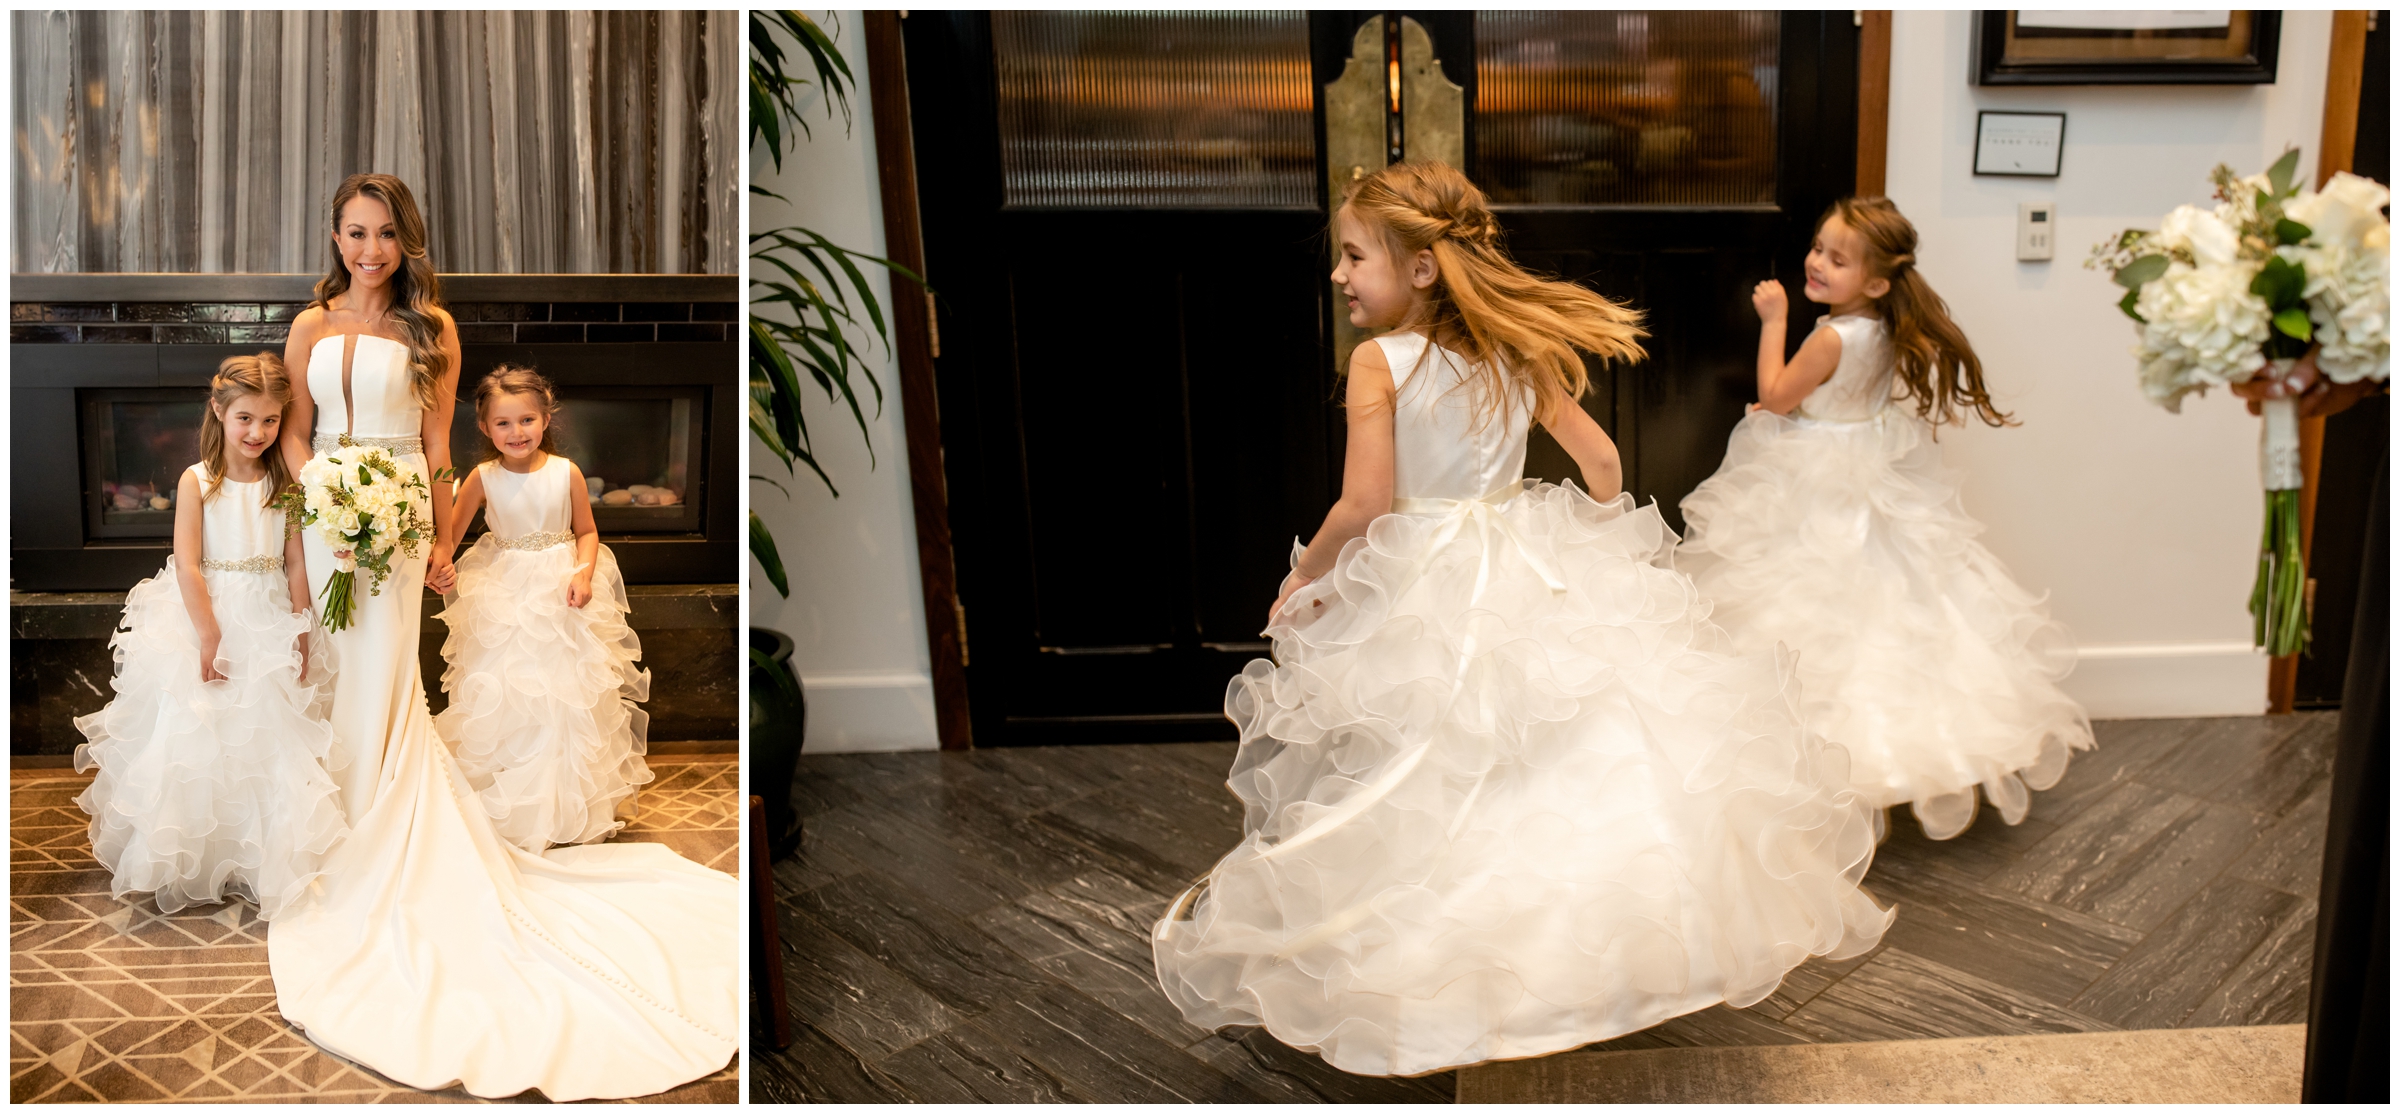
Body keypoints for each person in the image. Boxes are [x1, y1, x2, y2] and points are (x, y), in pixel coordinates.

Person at [1151, 161, 1892, 1078]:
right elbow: (1605, 461)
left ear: (1422, 267)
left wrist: (1304, 578)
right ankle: (1579, 948)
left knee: (1424, 751)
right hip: (1523, 555)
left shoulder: (1379, 362)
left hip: (1422, 575)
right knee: (1548, 753)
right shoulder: (1510, 351)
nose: (1339, 274)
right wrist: (1598, 538)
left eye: (1352, 255)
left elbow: (1366, 503)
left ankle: (1437, 951)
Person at [265, 173, 737, 1101]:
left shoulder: (430, 329)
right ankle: (336, 827)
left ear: (407, 242)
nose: (369, 251)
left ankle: (379, 834)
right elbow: (293, 431)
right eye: (355, 234)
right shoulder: (310, 325)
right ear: (335, 236)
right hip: (330, 513)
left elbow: (441, 445)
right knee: (338, 664)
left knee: (386, 669)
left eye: (386, 236)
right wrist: (317, 492)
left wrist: (439, 538)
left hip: (398, 513)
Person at [1677, 197, 2095, 841]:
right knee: (1892, 596)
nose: (1816, 262)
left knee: (1811, 602)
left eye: (1835, 259)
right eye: (1818, 248)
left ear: (1875, 281)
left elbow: (1777, 399)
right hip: (1865, 467)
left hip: (1817, 474)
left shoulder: (1831, 336)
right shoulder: (1881, 327)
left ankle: (1814, 760)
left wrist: (1774, 318)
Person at [73, 355, 347, 921]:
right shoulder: (197, 480)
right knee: (200, 733)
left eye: (271, 421)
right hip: (210, 611)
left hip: (270, 612)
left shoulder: (283, 482)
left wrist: (300, 628)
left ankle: (258, 857)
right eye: (246, 417)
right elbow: (188, 562)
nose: (257, 432)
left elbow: (295, 562)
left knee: (266, 733)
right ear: (219, 410)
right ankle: (196, 854)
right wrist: (208, 633)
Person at [428, 366, 653, 853]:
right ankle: (509, 802)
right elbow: (450, 534)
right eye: (503, 424)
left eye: (526, 420)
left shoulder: (566, 472)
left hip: (561, 595)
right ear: (485, 428)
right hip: (506, 595)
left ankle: (570, 804)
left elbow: (588, 531)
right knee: (510, 689)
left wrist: (583, 570)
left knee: (565, 695)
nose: (517, 432)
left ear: (546, 418)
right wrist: (440, 562)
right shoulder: (482, 478)